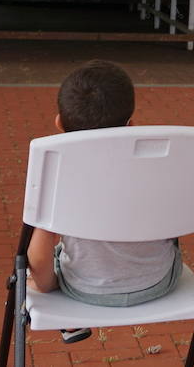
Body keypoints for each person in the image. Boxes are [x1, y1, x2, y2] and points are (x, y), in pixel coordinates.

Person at [26, 62, 181, 343]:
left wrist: (48, 287)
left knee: (54, 257)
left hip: (85, 289)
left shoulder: (59, 177)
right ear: (130, 124)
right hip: (159, 282)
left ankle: (70, 320)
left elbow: (38, 257)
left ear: (59, 122)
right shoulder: (160, 167)